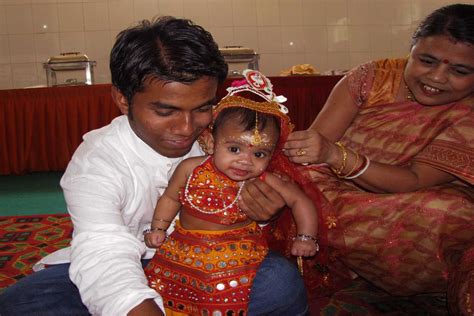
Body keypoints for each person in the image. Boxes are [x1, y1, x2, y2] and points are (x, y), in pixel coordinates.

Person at [0, 17, 308, 316]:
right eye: (165, 110)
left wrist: (264, 215)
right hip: (127, 263)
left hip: (214, 262)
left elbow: (267, 211)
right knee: (20, 305)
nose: (186, 127)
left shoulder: (226, 138)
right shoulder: (97, 160)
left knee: (280, 284)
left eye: (202, 108)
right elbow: (103, 249)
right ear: (123, 99)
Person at [280, 3, 473, 315]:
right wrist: (320, 154)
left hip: (409, 200)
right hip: (333, 191)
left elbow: (414, 179)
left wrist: (336, 154)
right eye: (426, 60)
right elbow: (310, 152)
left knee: (450, 213)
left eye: (460, 71)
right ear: (411, 49)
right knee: (294, 184)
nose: (437, 77)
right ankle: (353, 269)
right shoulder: (373, 77)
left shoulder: (470, 112)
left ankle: (402, 280)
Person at [143, 70, 321, 315]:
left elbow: (300, 200)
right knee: (163, 293)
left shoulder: (264, 178)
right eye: (235, 149)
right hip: (183, 248)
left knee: (254, 289)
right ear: (212, 142)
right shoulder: (190, 168)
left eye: (259, 154)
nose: (245, 161)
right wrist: (158, 228)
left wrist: (306, 237)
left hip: (237, 254)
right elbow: (171, 198)